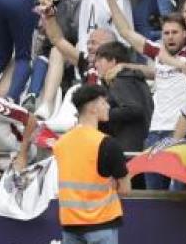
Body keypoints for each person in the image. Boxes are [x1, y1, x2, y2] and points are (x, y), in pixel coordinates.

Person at [53, 85, 130, 244]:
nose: (108, 106)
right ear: (92, 108)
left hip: (70, 225)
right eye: (104, 103)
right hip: (102, 224)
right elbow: (125, 190)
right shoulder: (107, 143)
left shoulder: (60, 143)